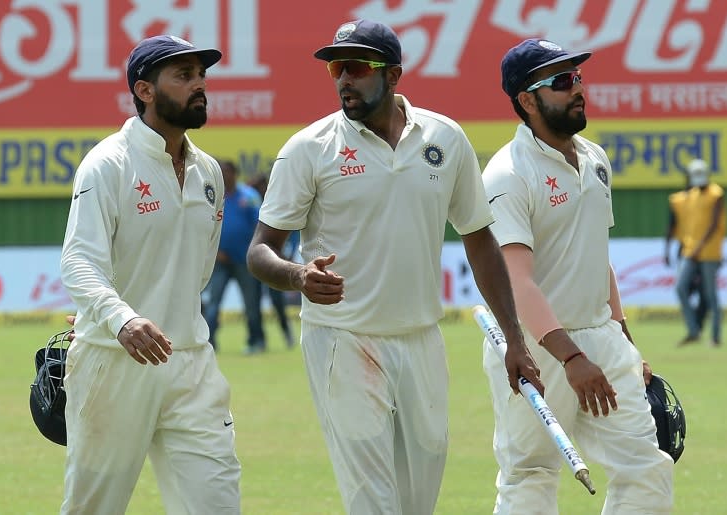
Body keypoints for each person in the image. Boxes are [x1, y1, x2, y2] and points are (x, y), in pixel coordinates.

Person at [246, 19, 543, 515]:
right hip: (343, 338)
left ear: (395, 75)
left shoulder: (444, 139)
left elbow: (480, 240)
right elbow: (262, 250)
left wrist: (514, 336)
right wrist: (298, 276)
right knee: (373, 501)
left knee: (417, 501)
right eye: (336, 68)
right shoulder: (308, 149)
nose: (344, 78)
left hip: (422, 339)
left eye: (358, 67)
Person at [481, 38, 674, 514]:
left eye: (578, 78)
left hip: (599, 339)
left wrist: (623, 338)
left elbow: (595, 255)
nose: (578, 89)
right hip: (535, 348)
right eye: (562, 82)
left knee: (646, 465)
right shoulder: (508, 173)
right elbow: (516, 280)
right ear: (528, 100)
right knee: (531, 474)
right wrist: (570, 357)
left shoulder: (594, 159)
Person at [59, 35, 241, 514]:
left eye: (201, 75)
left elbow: (199, 269)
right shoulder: (107, 164)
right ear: (144, 90)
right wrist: (122, 319)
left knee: (216, 505)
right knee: (93, 507)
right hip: (114, 362)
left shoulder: (208, 173)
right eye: (183, 76)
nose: (199, 85)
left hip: (191, 362)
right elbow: (78, 260)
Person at [201, 159, 265, 353]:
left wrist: (253, 250)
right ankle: (210, 342)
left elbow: (260, 225)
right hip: (219, 260)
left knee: (251, 304)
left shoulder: (249, 196)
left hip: (245, 261)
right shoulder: (210, 195)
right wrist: (214, 251)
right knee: (213, 304)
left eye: (227, 172)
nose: (223, 175)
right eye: (220, 172)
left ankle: (256, 341)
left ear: (235, 174)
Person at [672, 158, 727, 347]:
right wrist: (683, 245)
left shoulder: (716, 193)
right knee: (680, 287)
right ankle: (694, 330)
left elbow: (713, 225)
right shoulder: (691, 195)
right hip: (690, 250)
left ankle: (716, 336)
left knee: (711, 295)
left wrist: (699, 247)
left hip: (710, 252)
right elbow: (687, 224)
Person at [248, 173, 299, 348]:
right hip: (255, 260)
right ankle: (258, 339)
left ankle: (287, 333)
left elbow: (293, 232)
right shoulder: (252, 204)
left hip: (277, 261)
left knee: (277, 302)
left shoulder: (280, 205)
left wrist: (290, 253)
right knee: (253, 303)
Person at [664, 168, 709, 334]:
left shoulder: (708, 199)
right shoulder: (678, 200)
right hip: (685, 250)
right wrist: (667, 251)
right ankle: (693, 326)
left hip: (705, 252)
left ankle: (697, 325)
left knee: (706, 293)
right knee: (684, 288)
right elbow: (671, 226)